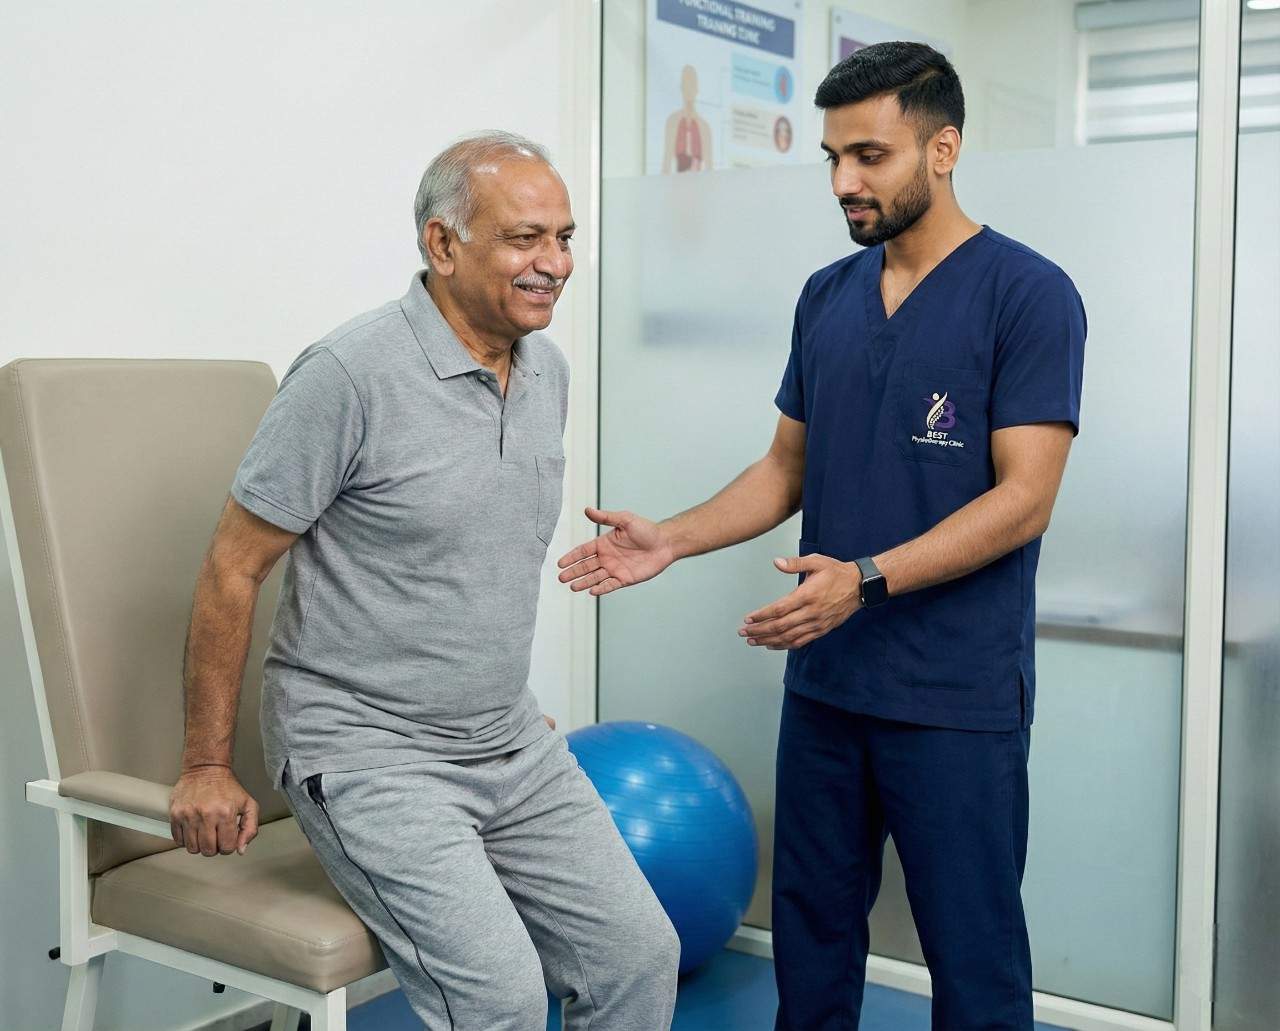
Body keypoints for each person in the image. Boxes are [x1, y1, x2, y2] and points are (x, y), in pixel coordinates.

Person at [559, 42, 1086, 1031]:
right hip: (827, 690)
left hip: (953, 697)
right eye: (831, 156)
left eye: (869, 156)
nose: (843, 181)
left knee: (972, 962)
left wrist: (867, 579)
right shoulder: (826, 295)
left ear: (942, 149)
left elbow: (1024, 497)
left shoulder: (1026, 293)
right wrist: (668, 537)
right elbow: (783, 470)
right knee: (811, 949)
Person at [169, 131, 679, 1031]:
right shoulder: (348, 375)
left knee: (640, 956)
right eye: (525, 238)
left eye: (564, 237)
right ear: (442, 245)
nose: (554, 264)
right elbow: (231, 567)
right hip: (366, 751)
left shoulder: (545, 372)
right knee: (502, 998)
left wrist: (485, 697)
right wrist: (206, 764)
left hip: (505, 739)